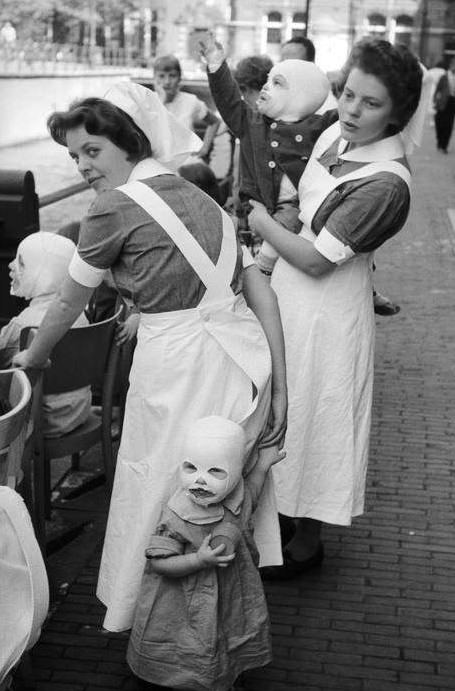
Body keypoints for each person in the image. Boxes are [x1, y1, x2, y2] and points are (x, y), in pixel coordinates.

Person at [12, 82, 287, 631]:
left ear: (129, 141)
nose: (84, 165)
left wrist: (35, 358)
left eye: (92, 151)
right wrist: (280, 386)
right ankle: (218, 624)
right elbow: (259, 290)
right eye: (73, 156)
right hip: (238, 357)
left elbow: (69, 299)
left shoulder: (111, 208)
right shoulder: (197, 194)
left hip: (177, 362)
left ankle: (155, 622)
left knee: (159, 481)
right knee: (221, 488)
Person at [248, 37, 427, 579]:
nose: (351, 110)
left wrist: (260, 224)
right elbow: (300, 207)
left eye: (370, 104)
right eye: (349, 94)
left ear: (398, 112)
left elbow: (316, 258)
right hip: (290, 298)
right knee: (283, 407)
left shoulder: (386, 184)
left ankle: (310, 536)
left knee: (318, 415)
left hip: (328, 310)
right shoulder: (333, 131)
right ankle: (277, 517)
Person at [127, 415, 285, 690]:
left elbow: (254, 491)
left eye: (215, 471)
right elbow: (159, 563)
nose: (200, 480)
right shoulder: (177, 514)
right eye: (191, 467)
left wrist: (263, 463)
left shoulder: (238, 498)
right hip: (182, 603)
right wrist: (198, 559)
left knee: (226, 638)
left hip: (229, 596)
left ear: (236, 472)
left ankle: (222, 676)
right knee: (187, 647)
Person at [201, 35, 336, 276]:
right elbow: (229, 100)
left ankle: (262, 267)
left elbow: (350, 120)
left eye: (277, 83)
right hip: (258, 206)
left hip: (298, 207)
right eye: (267, 81)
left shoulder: (318, 125)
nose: (266, 87)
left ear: (300, 95)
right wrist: (216, 64)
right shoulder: (252, 122)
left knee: (296, 218)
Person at [0, 232, 91, 438]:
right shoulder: (81, 315)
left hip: (40, 421)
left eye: (22, 263)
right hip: (77, 412)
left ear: (44, 273)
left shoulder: (23, 324)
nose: (11, 266)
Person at [154, 54, 220, 161]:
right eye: (161, 76)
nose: (167, 81)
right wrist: (162, 101)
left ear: (179, 77)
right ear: (155, 78)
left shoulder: (191, 101)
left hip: (186, 163)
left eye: (172, 76)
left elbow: (214, 122)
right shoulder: (149, 101)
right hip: (158, 164)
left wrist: (205, 148)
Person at [433, 56, 455, 153]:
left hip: (453, 102)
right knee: (439, 122)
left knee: (449, 124)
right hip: (443, 102)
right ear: (451, 65)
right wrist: (434, 99)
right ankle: (439, 140)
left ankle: (444, 145)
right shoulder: (444, 76)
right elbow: (438, 89)